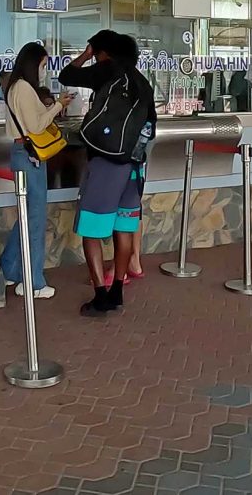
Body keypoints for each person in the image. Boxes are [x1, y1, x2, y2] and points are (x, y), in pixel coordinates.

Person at [59, 30, 156, 317]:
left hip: (105, 164)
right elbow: (150, 124)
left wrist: (86, 55)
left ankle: (101, 295)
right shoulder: (141, 81)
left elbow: (66, 75)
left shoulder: (106, 70)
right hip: (133, 166)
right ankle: (117, 293)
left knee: (91, 230)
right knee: (123, 228)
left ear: (102, 51)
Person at [0, 41, 71, 299]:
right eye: (42, 64)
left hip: (21, 154)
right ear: (34, 63)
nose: (44, 70)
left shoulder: (15, 87)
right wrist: (58, 106)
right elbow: (37, 125)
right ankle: (33, 282)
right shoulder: (23, 89)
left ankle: (9, 268)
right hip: (30, 157)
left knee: (26, 217)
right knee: (36, 219)